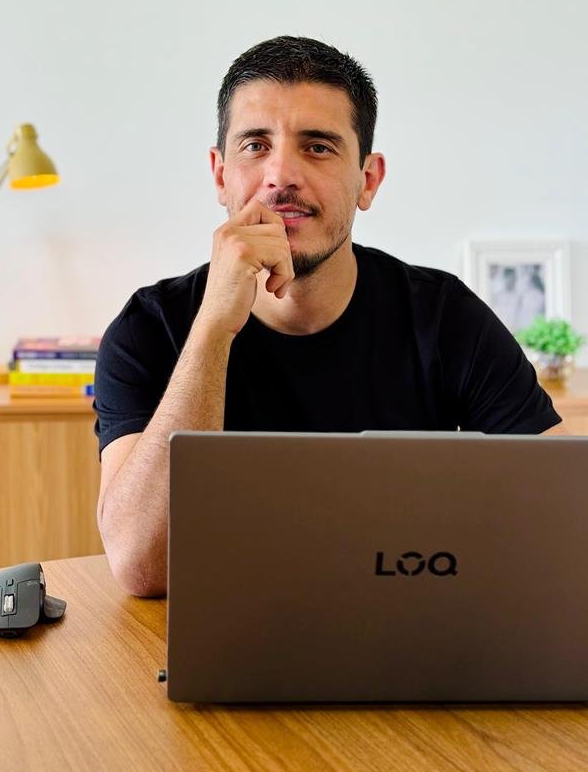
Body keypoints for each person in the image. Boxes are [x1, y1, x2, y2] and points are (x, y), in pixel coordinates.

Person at [94, 36, 563, 598]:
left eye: (317, 147)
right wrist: (214, 327)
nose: (280, 176)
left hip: (405, 623)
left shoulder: (446, 317)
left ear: (368, 180)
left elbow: (562, 515)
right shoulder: (148, 328)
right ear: (220, 175)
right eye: (255, 145)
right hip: (225, 627)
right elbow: (143, 567)